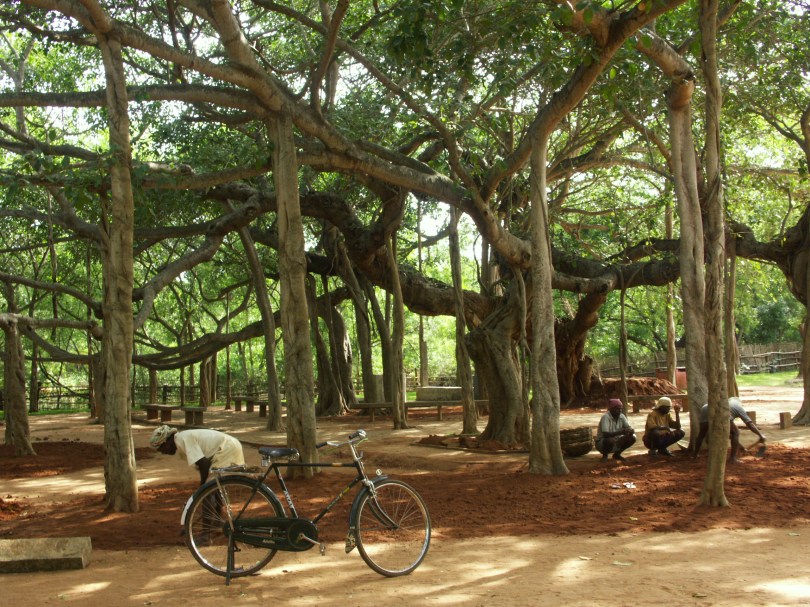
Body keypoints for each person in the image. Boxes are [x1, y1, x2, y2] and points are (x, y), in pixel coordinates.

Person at [149, 425, 245, 484]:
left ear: (165, 442)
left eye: (161, 449)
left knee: (208, 488)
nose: (162, 452)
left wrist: (202, 484)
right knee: (213, 486)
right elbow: (202, 463)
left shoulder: (181, 440)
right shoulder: (181, 438)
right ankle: (215, 514)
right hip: (230, 445)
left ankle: (209, 515)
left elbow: (204, 464)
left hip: (227, 447)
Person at [692, 397, 766, 463]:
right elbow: (749, 423)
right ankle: (732, 459)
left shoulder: (727, 403)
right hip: (722, 416)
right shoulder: (737, 406)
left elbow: (728, 433)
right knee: (736, 433)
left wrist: (741, 447)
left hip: (705, 409)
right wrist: (760, 435)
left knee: (701, 434)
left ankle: (694, 455)